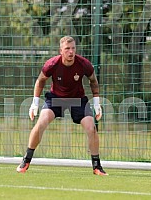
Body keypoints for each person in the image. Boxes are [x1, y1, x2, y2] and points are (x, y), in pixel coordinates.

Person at [16, 36, 108, 176]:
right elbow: (40, 81)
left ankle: (97, 166)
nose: (71, 52)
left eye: (73, 48)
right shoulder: (51, 64)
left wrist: (97, 103)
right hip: (56, 98)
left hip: (77, 99)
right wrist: (34, 104)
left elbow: (93, 81)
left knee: (91, 128)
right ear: (61, 51)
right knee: (41, 124)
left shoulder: (84, 64)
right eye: (67, 49)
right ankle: (26, 160)